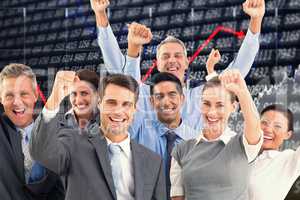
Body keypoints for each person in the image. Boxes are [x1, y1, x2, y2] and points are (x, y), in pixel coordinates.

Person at [90, 0, 265, 131]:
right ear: (157, 64)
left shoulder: (202, 96)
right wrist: (101, 15)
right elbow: (121, 77)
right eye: (165, 56)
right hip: (147, 176)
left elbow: (238, 70)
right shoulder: (144, 95)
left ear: (187, 62)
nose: (172, 60)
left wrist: (256, 20)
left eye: (177, 55)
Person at [29, 73, 167, 200]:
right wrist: (54, 100)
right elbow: (41, 152)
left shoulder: (153, 161)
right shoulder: (73, 144)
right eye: (111, 102)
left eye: (126, 104)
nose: (118, 111)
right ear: (100, 104)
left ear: (134, 109)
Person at [170, 69, 262, 200]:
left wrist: (242, 91)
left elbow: (255, 126)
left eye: (220, 105)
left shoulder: (244, 145)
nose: (212, 113)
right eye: (206, 104)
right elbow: (177, 198)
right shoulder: (181, 150)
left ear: (233, 107)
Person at [0, 63, 64, 200]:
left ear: (35, 95)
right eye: (9, 95)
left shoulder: (61, 134)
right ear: (1, 99)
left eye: (23, 94)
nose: (16, 102)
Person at [129, 72, 198, 197]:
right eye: (159, 96)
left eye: (172, 95)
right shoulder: (139, 130)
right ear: (151, 101)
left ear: (182, 99)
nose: (166, 102)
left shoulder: (196, 140)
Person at [249, 104, 299, 200]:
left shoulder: (288, 160)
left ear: (288, 134)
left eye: (277, 126)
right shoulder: (239, 153)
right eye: (264, 122)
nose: (267, 129)